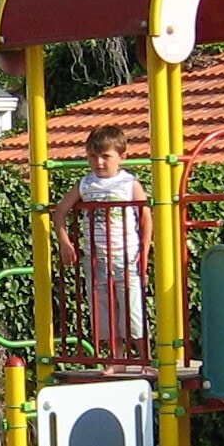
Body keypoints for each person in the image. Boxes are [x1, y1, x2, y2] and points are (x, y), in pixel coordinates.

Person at [51, 124, 150, 355]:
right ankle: (115, 357)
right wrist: (65, 242)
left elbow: (145, 215)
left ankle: (144, 358)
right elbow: (60, 212)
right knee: (102, 309)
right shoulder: (86, 184)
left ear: (121, 157)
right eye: (93, 157)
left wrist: (144, 250)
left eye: (106, 156)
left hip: (126, 256)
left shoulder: (129, 184)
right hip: (97, 259)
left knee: (132, 308)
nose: (99, 163)